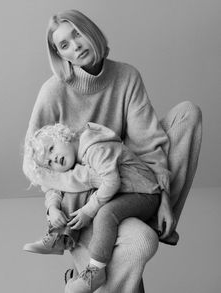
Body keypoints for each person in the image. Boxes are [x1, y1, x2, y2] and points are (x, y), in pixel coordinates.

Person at [23, 9, 202, 293]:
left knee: (187, 115)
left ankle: (152, 210)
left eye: (77, 34)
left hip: (129, 183)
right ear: (60, 55)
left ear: (90, 31)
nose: (75, 45)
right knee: (142, 243)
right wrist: (53, 206)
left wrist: (165, 198)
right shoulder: (53, 91)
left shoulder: (126, 76)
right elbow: (34, 163)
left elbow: (147, 143)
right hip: (84, 205)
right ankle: (93, 256)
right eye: (64, 45)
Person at [23, 122, 162, 292]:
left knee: (105, 213)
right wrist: (52, 208)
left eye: (51, 149)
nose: (54, 159)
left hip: (144, 191)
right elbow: (59, 187)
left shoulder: (93, 148)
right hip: (126, 193)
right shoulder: (76, 160)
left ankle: (95, 271)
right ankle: (59, 236)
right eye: (50, 163)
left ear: (63, 137)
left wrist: (88, 211)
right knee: (78, 191)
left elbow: (111, 182)